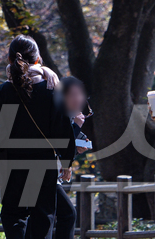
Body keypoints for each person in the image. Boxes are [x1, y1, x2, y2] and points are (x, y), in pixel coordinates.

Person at [0, 35, 74, 239]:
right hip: (43, 164)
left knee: (14, 215)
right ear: (38, 59)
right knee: (43, 217)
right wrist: (67, 162)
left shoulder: (2, 93)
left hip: (11, 164)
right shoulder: (52, 92)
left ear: (10, 60)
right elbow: (63, 130)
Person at [53, 77, 90, 239]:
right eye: (74, 94)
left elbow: (64, 149)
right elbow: (58, 144)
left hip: (52, 173)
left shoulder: (68, 116)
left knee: (53, 216)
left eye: (80, 94)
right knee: (68, 214)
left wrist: (76, 148)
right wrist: (75, 126)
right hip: (43, 173)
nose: (79, 99)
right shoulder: (57, 114)